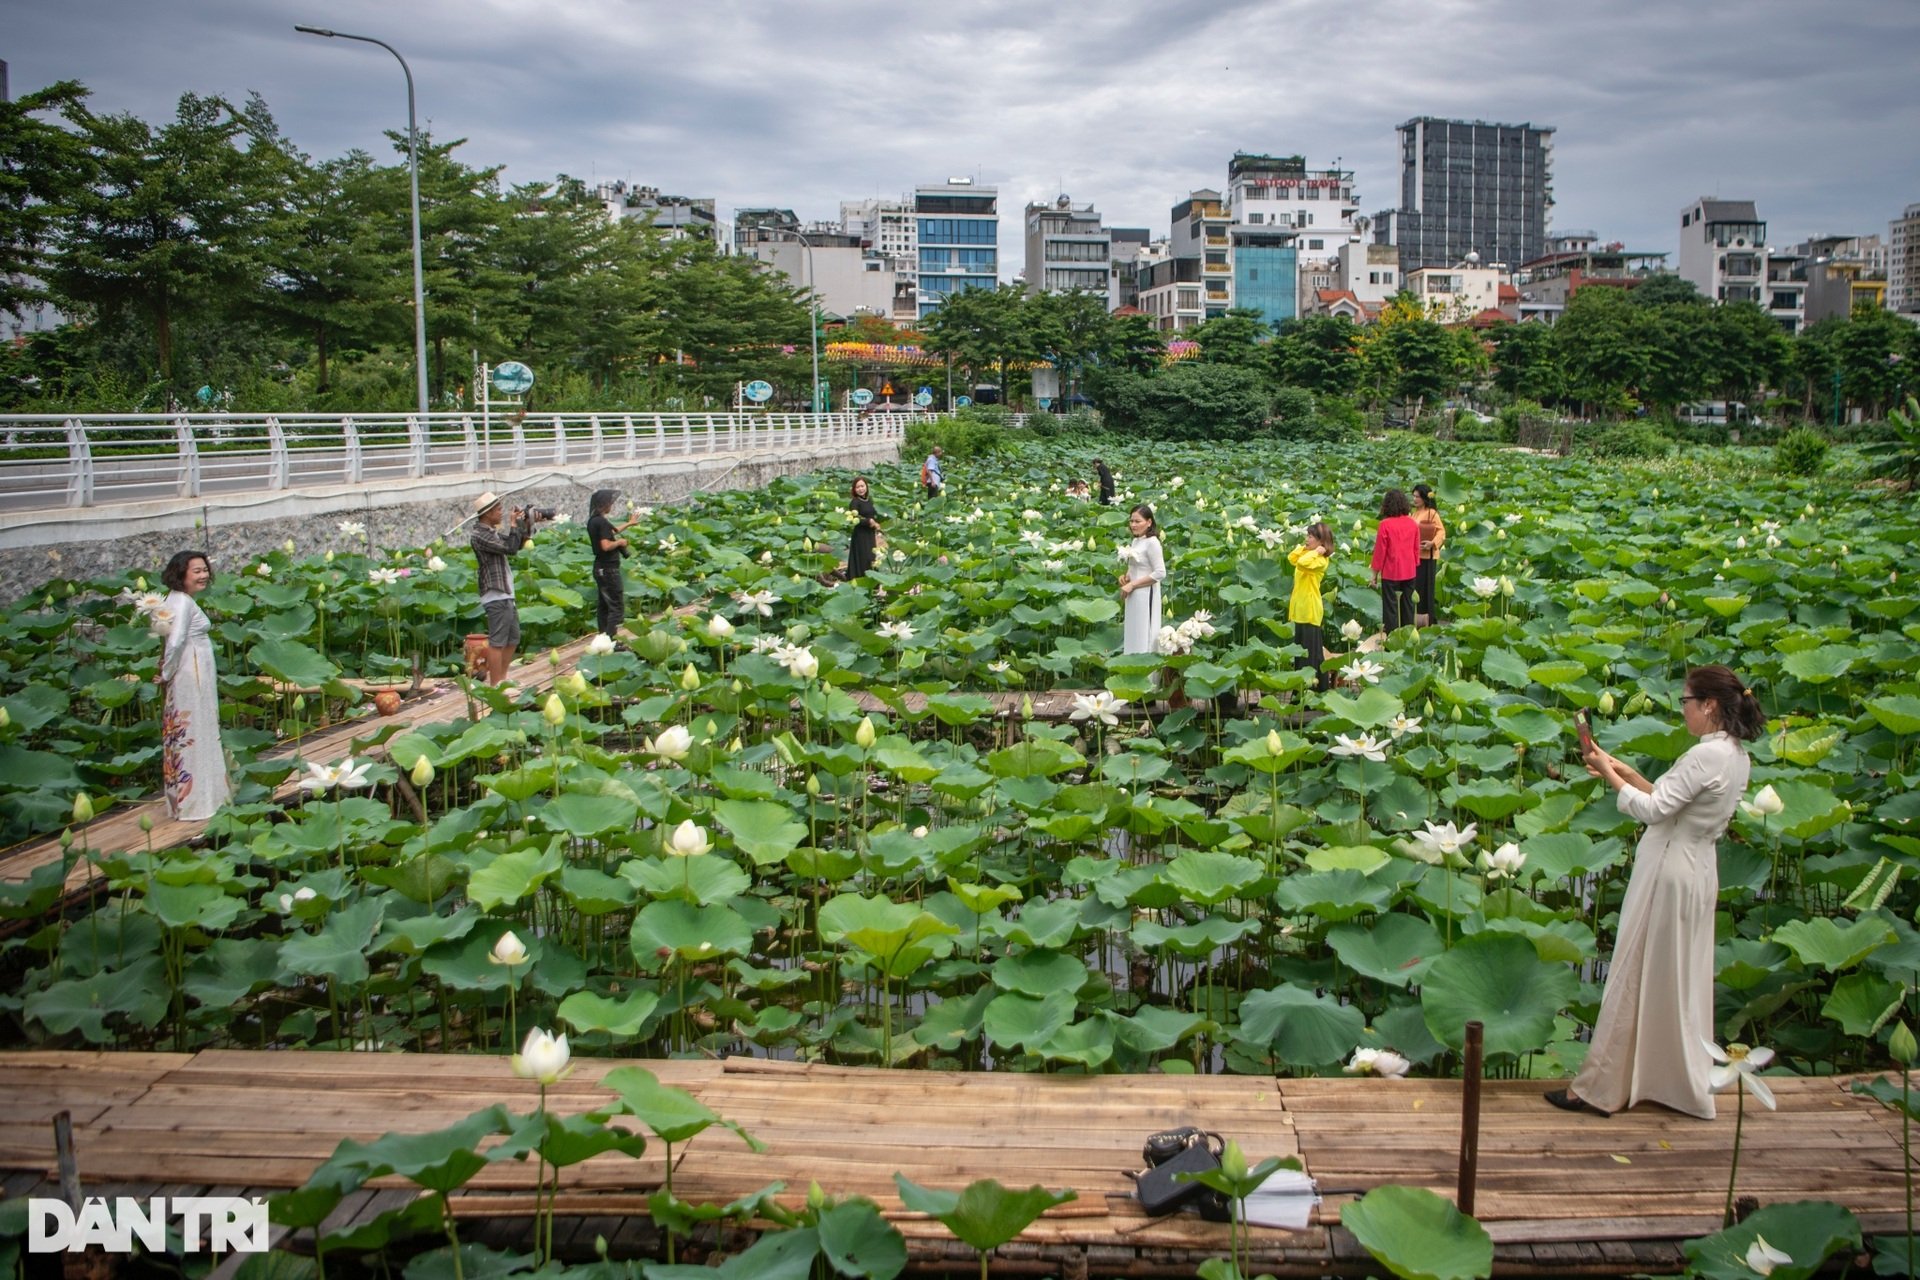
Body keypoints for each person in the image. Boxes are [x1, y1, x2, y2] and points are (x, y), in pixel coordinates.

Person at [1547, 665, 1765, 1119]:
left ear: (1708, 705)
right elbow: (1672, 804)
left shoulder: (1705, 757)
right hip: (1698, 869)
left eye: (1686, 702)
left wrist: (1608, 774)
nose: (1683, 710)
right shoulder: (1735, 755)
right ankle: (1665, 1081)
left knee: (1632, 970)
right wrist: (1623, 769)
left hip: (1667, 869)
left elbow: (1652, 811)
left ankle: (1598, 1089)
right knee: (1676, 976)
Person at [154, 550, 232, 821]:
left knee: (192, 730)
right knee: (197, 730)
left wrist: (165, 670)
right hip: (192, 671)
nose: (204, 575)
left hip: (190, 669)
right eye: (196, 571)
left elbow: (164, 639)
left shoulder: (173, 600)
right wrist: (166, 674)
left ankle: (196, 800)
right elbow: (174, 642)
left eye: (204, 569)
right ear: (181, 574)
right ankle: (200, 803)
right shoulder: (183, 603)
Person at [470, 492, 545, 685]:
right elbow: (509, 549)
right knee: (497, 643)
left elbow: (516, 544)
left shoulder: (491, 532)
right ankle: (495, 685)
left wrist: (526, 525)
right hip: (495, 594)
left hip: (506, 593)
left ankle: (502, 679)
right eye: (498, 510)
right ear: (487, 514)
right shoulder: (479, 535)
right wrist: (513, 525)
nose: (501, 513)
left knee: (513, 639)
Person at [586, 489, 639, 640]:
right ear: (604, 504)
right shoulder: (601, 522)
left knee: (604, 607)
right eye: (610, 502)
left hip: (599, 568)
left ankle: (603, 638)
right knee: (616, 607)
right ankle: (612, 640)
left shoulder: (593, 521)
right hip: (609, 569)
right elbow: (605, 545)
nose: (611, 505)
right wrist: (620, 543)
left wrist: (629, 523)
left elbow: (611, 532)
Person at [1287, 523, 1335, 692]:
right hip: (1300, 610)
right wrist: (1306, 547)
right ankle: (1305, 691)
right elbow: (1292, 558)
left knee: (1311, 656)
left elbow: (1301, 563)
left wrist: (1315, 552)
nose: (1306, 539)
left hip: (1310, 610)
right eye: (1307, 535)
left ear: (1321, 541)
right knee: (1302, 655)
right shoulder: (1310, 554)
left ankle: (1314, 691)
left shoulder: (1321, 560)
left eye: (1310, 537)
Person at [1370, 488, 1419, 633]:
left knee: (1390, 607)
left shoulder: (1385, 524)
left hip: (1391, 571)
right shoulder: (1412, 523)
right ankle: (1408, 635)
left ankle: (1392, 638)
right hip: (1409, 570)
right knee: (1408, 605)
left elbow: (1380, 552)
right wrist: (1414, 564)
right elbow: (1416, 548)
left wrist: (1374, 575)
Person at [1119, 503, 1165, 654]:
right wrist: (1126, 578)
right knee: (1133, 632)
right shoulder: (1136, 541)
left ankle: (1148, 675)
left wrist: (1133, 585)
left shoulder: (1152, 543)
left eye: (1137, 521)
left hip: (1146, 594)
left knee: (1144, 633)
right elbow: (1135, 567)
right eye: (1131, 521)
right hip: (1132, 595)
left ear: (1149, 522)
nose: (1133, 525)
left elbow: (1160, 573)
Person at [1411, 483, 1446, 625]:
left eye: (1417, 497)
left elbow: (1441, 532)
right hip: (1416, 556)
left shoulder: (1432, 513)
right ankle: (1418, 619)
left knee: (1425, 589)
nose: (1414, 499)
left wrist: (1432, 543)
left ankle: (1428, 620)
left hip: (1428, 556)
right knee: (1416, 588)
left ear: (1425, 498)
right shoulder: (1415, 513)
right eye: (1413, 496)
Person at [846, 476, 883, 580]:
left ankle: (872, 580)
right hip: (860, 535)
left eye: (862, 486)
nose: (860, 489)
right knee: (863, 557)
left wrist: (876, 522)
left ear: (866, 487)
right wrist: (869, 521)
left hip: (870, 533)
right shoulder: (854, 502)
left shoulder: (869, 500)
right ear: (854, 489)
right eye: (857, 487)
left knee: (871, 557)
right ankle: (861, 579)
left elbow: (872, 514)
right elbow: (855, 519)